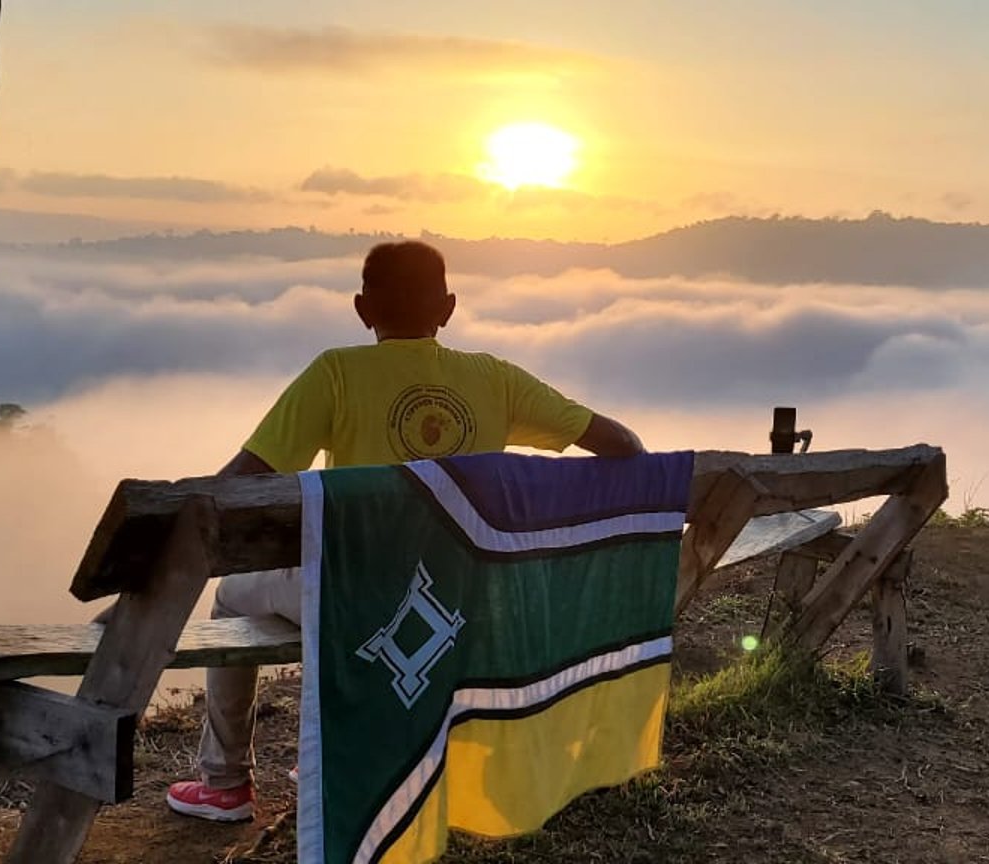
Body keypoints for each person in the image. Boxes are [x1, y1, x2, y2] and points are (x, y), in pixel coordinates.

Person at [165, 240, 646, 821]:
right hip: (460, 595)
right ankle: (341, 746)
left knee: (231, 598)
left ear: (363, 309)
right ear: (447, 308)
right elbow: (623, 447)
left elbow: (238, 484)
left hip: (359, 596)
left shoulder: (336, 374)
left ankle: (224, 784)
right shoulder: (495, 379)